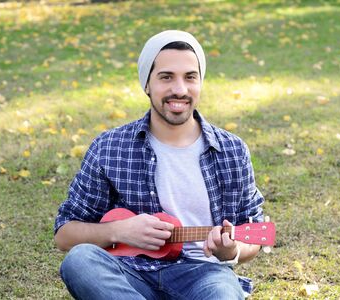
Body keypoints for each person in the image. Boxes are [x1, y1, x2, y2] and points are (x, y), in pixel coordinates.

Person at [54, 30, 265, 299]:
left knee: (222, 293)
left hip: (204, 276)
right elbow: (65, 234)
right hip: (129, 274)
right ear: (147, 84)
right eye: (166, 77)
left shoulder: (232, 150)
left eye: (190, 77)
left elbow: (253, 235)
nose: (180, 89)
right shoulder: (109, 147)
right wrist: (119, 231)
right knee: (80, 261)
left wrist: (231, 250)